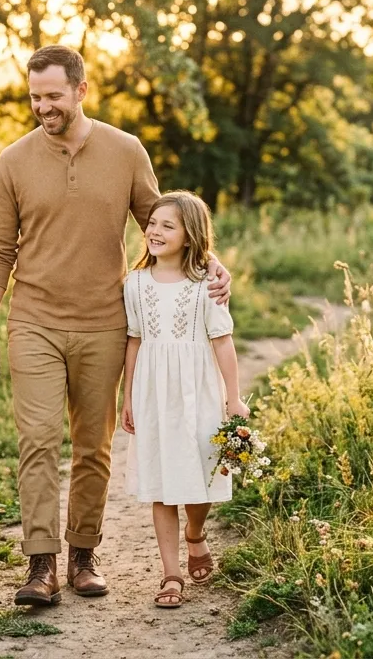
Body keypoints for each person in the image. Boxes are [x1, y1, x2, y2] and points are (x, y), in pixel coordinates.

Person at [0, 45, 231, 606]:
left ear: (80, 90)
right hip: (35, 319)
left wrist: (209, 262)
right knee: (38, 440)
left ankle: (83, 556)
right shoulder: (14, 161)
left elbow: (161, 224)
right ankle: (40, 565)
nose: (42, 106)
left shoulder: (124, 150)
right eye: (34, 96)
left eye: (53, 96)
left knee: (93, 446)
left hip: (105, 322)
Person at [120, 191, 248, 608]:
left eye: (167, 225)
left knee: (202, 477)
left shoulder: (204, 286)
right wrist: (128, 396)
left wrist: (234, 398)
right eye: (152, 224)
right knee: (161, 481)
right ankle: (170, 573)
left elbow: (223, 341)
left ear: (190, 235)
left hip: (198, 388)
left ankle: (195, 532)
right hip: (153, 390)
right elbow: (134, 340)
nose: (154, 231)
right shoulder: (135, 284)